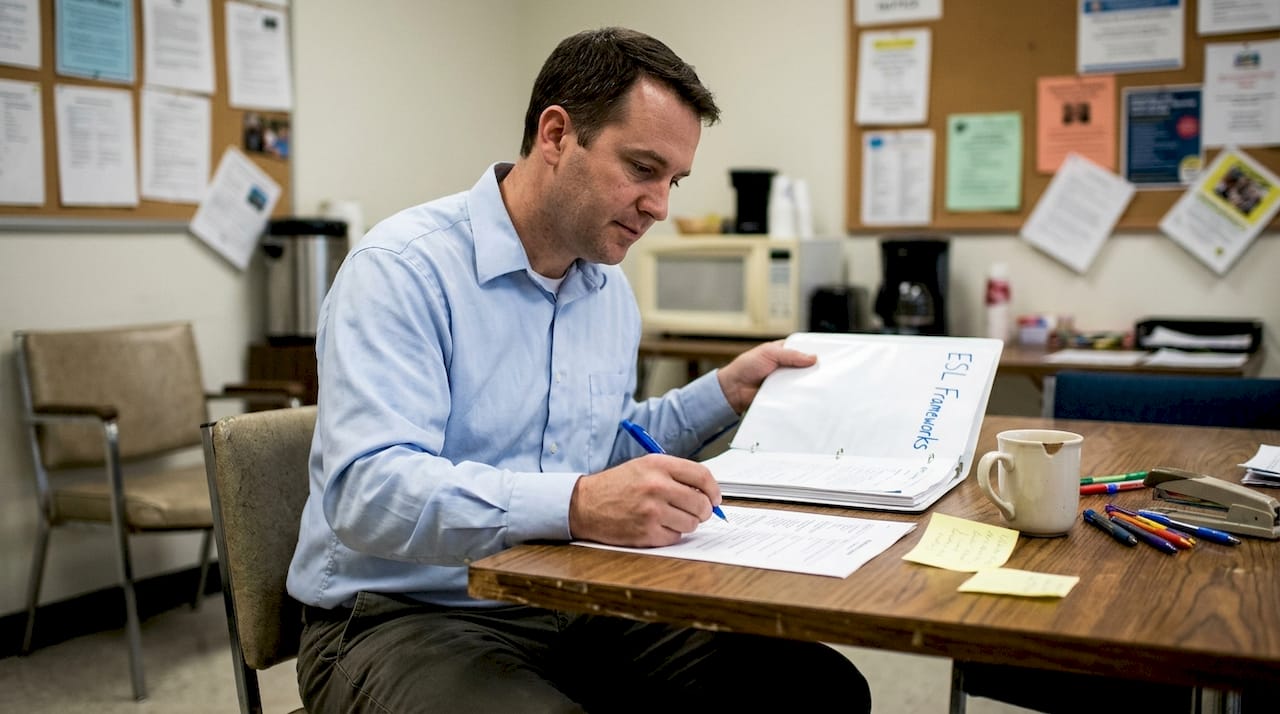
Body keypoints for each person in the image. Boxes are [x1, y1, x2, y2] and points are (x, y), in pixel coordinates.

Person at [286, 26, 872, 713]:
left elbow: (604, 447)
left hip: (569, 596)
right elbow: (368, 492)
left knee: (817, 689)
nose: (660, 206)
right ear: (557, 135)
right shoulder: (401, 270)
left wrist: (725, 392)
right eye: (643, 168)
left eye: (674, 181)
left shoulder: (605, 289)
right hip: (400, 616)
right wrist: (580, 505)